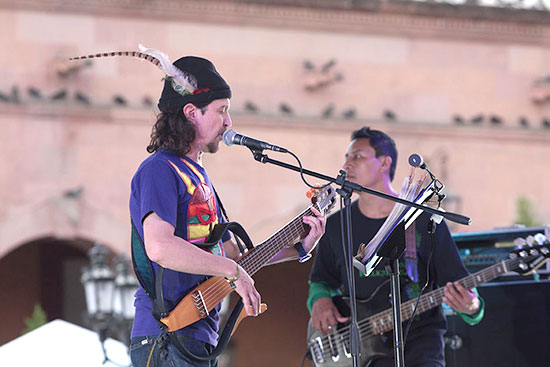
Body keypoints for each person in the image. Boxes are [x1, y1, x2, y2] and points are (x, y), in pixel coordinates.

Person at [125, 53, 326, 366]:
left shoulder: (198, 176)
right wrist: (233, 272)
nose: (229, 122)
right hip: (166, 336)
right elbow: (160, 247)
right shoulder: (160, 169)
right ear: (192, 112)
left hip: (198, 337)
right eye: (222, 111)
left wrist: (299, 247)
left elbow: (231, 255)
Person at [308, 127, 484, 367]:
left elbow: (459, 284)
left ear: (384, 163)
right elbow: (321, 281)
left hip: (420, 346)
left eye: (357, 156)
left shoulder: (423, 219)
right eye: (347, 157)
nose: (347, 164)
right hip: (361, 349)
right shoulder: (337, 224)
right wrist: (319, 301)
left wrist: (473, 307)